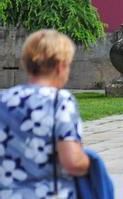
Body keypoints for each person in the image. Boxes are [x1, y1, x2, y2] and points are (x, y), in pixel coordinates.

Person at [0, 29, 90, 198]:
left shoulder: (3, 99)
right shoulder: (60, 101)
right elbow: (72, 162)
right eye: (68, 65)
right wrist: (89, 162)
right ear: (59, 66)